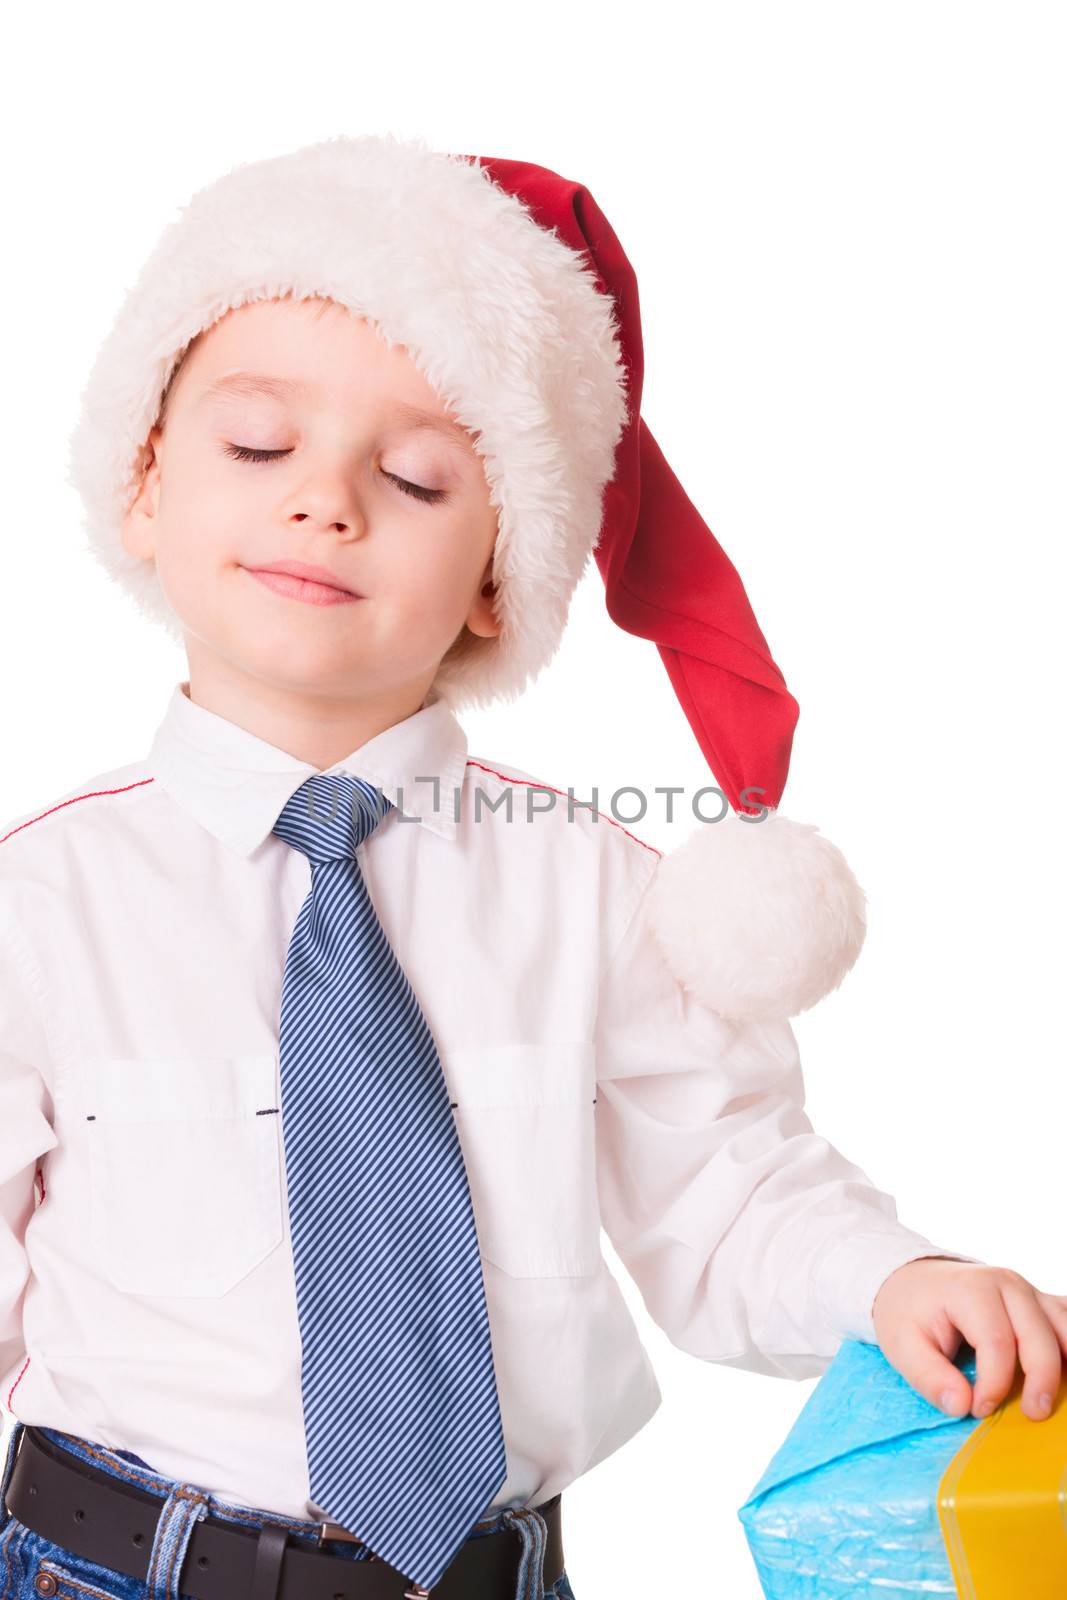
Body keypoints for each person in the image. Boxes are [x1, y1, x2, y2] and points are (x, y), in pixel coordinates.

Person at [0, 133, 1062, 1600]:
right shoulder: (39, 908)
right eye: (258, 445)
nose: (327, 501)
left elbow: (733, 1194)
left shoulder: (597, 891)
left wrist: (890, 1280)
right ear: (140, 488)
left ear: (505, 576)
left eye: (422, 478)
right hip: (97, 1571)